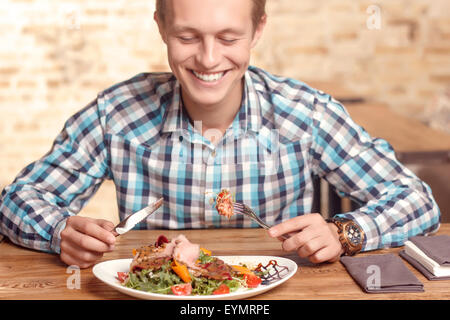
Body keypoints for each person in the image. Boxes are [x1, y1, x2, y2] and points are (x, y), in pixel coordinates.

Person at [0, 0, 440, 269]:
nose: (209, 59)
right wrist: (60, 230)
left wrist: (345, 233)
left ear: (258, 30)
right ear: (161, 28)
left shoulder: (305, 112)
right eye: (188, 36)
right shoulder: (115, 113)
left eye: (229, 37)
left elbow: (416, 200)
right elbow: (16, 200)